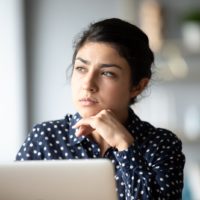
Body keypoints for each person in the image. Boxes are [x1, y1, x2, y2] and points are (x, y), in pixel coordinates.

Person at [16, 18, 185, 199]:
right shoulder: (45, 137)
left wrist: (125, 145)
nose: (88, 84)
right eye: (81, 68)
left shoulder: (162, 144)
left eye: (107, 73)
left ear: (138, 86)